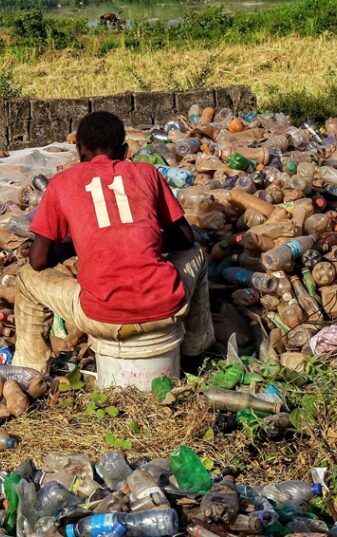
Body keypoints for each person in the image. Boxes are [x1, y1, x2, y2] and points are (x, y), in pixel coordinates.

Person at [13, 111, 213, 373]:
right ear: (125, 150)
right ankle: (197, 352)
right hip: (165, 307)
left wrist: (75, 245)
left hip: (102, 317)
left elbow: (38, 260)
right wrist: (143, 239)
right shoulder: (147, 173)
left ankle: (31, 372)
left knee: (27, 278)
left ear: (79, 150)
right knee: (196, 253)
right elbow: (186, 238)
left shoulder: (63, 183)